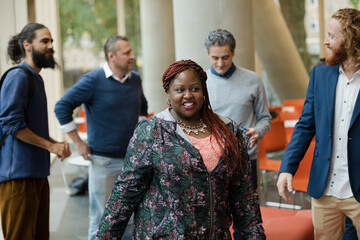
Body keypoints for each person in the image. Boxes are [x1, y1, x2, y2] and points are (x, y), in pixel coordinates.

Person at [96, 59, 265, 239]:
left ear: (204, 92)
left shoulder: (229, 132)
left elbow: (245, 200)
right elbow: (124, 194)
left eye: (194, 89)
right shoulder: (152, 132)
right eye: (179, 90)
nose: (188, 95)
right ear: (168, 93)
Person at [277, 8, 360, 240]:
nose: (325, 41)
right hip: (325, 190)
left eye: (332, 36)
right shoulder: (320, 74)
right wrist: (287, 168)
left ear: (351, 39)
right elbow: (305, 126)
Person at [54, 35, 148, 240]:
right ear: (112, 56)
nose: (132, 56)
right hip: (103, 163)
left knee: (132, 221)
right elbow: (62, 107)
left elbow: (142, 107)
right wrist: (78, 142)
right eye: (127, 53)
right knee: (102, 221)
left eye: (131, 51)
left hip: (133, 162)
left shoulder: (136, 79)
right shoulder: (92, 81)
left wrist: (142, 138)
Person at [0, 23, 71, 240]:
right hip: (18, 179)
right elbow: (11, 124)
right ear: (27, 45)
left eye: (51, 41)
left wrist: (54, 143)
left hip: (38, 175)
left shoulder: (34, 78)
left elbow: (30, 127)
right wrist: (51, 146)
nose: (51, 46)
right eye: (45, 41)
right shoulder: (18, 76)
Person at [204, 29, 271, 190]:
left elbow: (265, 119)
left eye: (225, 57)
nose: (220, 63)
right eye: (215, 58)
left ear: (233, 53)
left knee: (248, 212)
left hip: (245, 157)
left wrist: (257, 131)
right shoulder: (201, 84)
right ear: (208, 55)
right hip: (212, 159)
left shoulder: (252, 80)